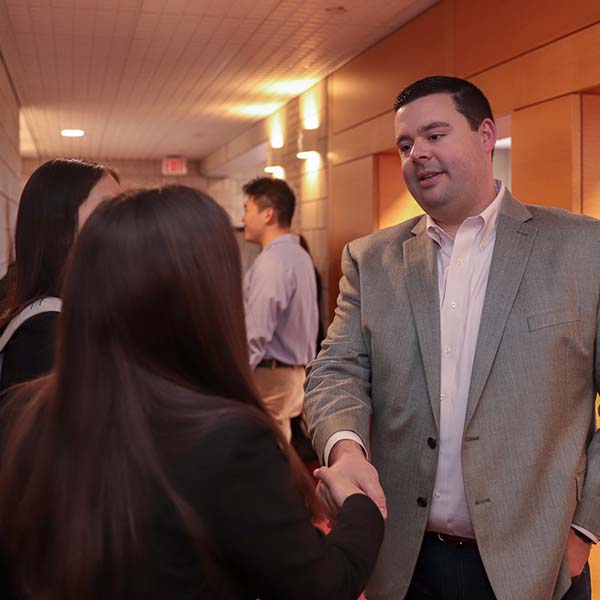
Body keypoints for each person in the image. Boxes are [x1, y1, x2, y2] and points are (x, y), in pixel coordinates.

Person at [0, 185, 384, 600]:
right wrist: (360, 509)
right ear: (206, 296)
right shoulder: (226, 443)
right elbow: (319, 583)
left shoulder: (18, 408)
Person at [303, 75, 600, 600]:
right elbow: (336, 371)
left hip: (541, 566)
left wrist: (582, 532)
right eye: (405, 144)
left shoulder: (582, 250)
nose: (417, 153)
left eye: (435, 135)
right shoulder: (371, 260)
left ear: (486, 136)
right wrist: (345, 449)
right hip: (404, 565)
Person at [0, 158, 120, 393]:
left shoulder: (67, 314)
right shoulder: (46, 331)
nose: (123, 222)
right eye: (109, 210)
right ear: (60, 224)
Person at [242, 177, 318, 441]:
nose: (243, 219)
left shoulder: (273, 260)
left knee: (264, 456)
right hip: (289, 374)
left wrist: (236, 373)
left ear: (268, 214)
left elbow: (256, 331)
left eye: (247, 210)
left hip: (270, 376)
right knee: (277, 452)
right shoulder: (298, 255)